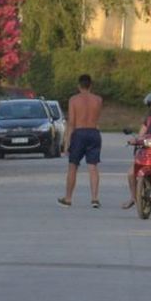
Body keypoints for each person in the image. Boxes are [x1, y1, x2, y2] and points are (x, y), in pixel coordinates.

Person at [58, 74, 104, 208]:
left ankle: (68, 198)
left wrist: (66, 143)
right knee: (93, 166)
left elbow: (71, 122)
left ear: (79, 86)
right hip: (93, 132)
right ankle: (95, 198)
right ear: (91, 85)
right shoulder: (98, 100)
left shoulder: (73, 100)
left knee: (73, 166)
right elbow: (97, 117)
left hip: (79, 133)